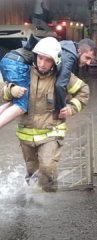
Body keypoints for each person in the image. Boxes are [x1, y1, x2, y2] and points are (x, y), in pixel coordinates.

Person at [0, 37, 89, 192]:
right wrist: (11, 90)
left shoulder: (63, 77)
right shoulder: (24, 72)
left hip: (51, 133)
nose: (42, 63)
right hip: (26, 135)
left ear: (55, 61)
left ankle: (49, 206)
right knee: (32, 173)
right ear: (35, 56)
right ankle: (34, 206)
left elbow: (84, 91)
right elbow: (2, 92)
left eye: (48, 60)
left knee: (47, 168)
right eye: (40, 58)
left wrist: (70, 108)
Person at [0, 36, 96, 128]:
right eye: (87, 58)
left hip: (11, 60)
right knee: (22, 105)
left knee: (17, 99)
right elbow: (60, 84)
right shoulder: (68, 57)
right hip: (16, 63)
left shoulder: (66, 47)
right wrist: (61, 108)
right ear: (79, 51)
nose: (88, 63)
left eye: (91, 59)